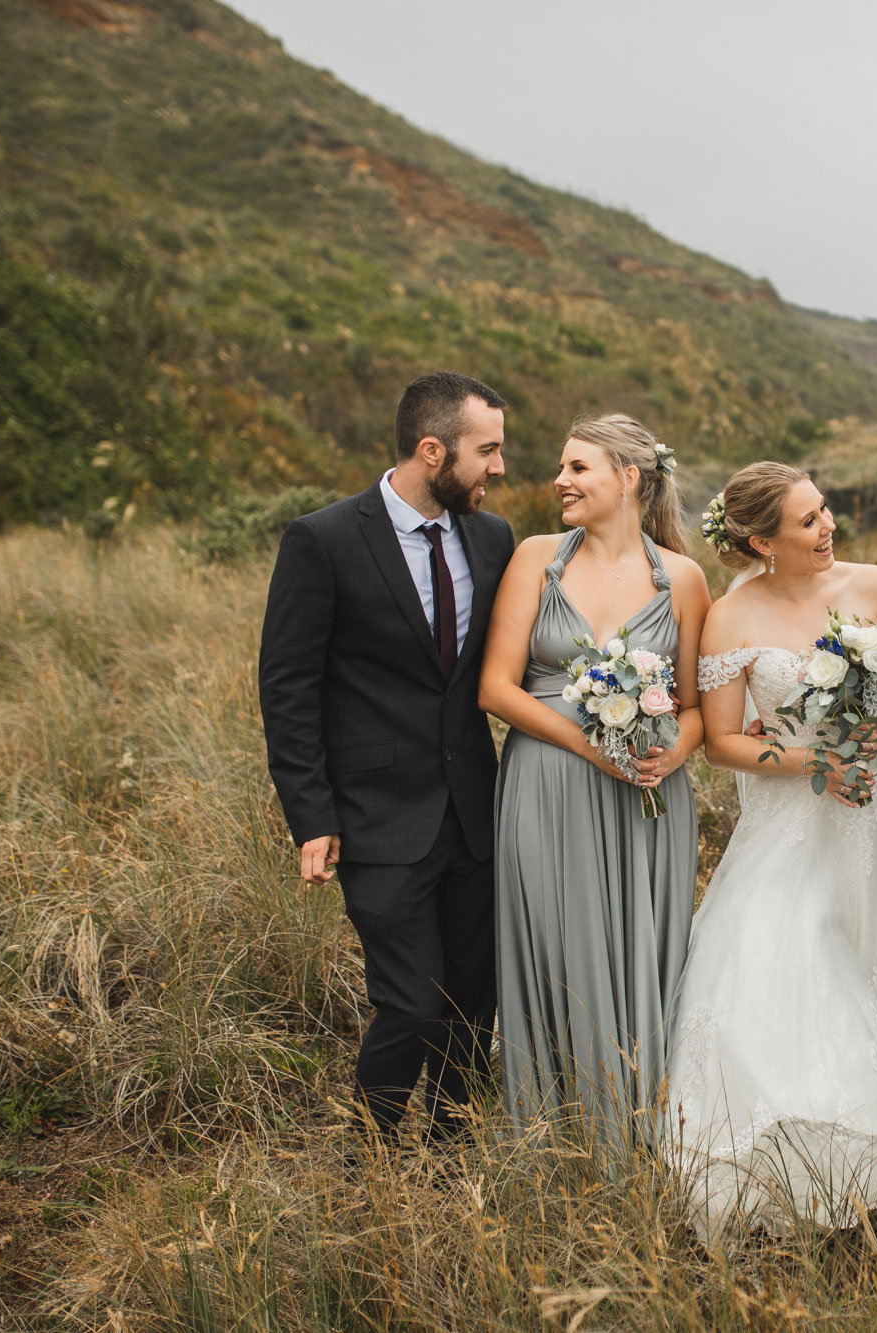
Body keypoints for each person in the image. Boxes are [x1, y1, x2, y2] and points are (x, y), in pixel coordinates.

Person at [663, 462, 877, 1240]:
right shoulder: (733, 618)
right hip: (787, 823)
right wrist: (812, 764)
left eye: (825, 509)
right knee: (785, 951)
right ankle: (790, 1144)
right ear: (762, 539)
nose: (828, 526)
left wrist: (874, 738)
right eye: (808, 521)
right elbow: (725, 742)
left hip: (873, 816)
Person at [258, 371, 513, 1147]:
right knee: (409, 1002)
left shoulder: (493, 538)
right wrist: (313, 815)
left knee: (472, 997)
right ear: (431, 450)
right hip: (376, 819)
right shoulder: (323, 539)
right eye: (487, 450)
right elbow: (288, 688)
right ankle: (366, 1158)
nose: (499, 468)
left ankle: (449, 1143)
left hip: (475, 810)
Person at [479, 413, 710, 1156]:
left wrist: (672, 756)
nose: (561, 480)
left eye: (579, 467)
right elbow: (496, 687)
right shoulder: (535, 559)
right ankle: (553, 1135)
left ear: (629, 478)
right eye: (563, 467)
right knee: (552, 941)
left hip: (646, 794)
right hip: (546, 785)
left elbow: (697, 708)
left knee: (639, 945)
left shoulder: (681, 577)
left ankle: (641, 1128)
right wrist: (587, 744)